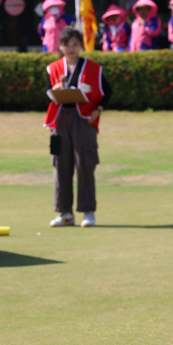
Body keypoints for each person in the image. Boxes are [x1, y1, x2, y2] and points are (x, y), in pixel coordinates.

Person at [44, 27, 111, 227]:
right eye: (67, 45)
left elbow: (107, 92)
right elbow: (46, 94)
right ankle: (65, 213)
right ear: (60, 46)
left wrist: (98, 110)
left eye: (75, 44)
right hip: (59, 122)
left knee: (86, 165)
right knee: (59, 165)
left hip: (84, 121)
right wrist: (53, 90)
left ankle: (88, 212)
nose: (71, 48)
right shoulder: (52, 68)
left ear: (81, 45)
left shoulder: (93, 68)